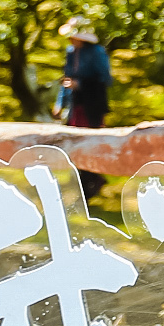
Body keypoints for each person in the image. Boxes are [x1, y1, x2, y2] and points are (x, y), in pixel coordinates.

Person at [56, 17, 112, 199]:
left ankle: (92, 180)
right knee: (76, 142)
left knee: (91, 142)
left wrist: (80, 84)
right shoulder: (71, 52)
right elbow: (67, 78)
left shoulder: (96, 53)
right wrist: (60, 103)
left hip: (92, 104)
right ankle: (82, 181)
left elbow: (104, 79)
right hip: (76, 104)